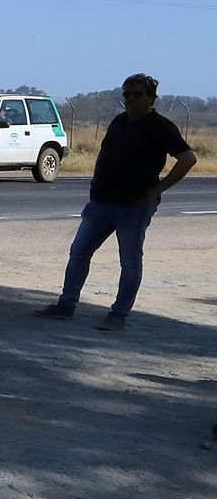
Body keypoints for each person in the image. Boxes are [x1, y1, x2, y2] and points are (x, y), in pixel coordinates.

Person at [35, 73, 196, 330]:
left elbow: (188, 159)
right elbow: (105, 154)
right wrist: (95, 182)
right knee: (79, 253)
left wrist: (157, 190)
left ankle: (118, 315)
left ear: (151, 98)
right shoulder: (119, 121)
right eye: (127, 94)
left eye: (137, 94)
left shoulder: (161, 127)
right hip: (100, 203)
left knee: (129, 262)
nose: (131, 99)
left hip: (133, 206)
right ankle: (66, 306)